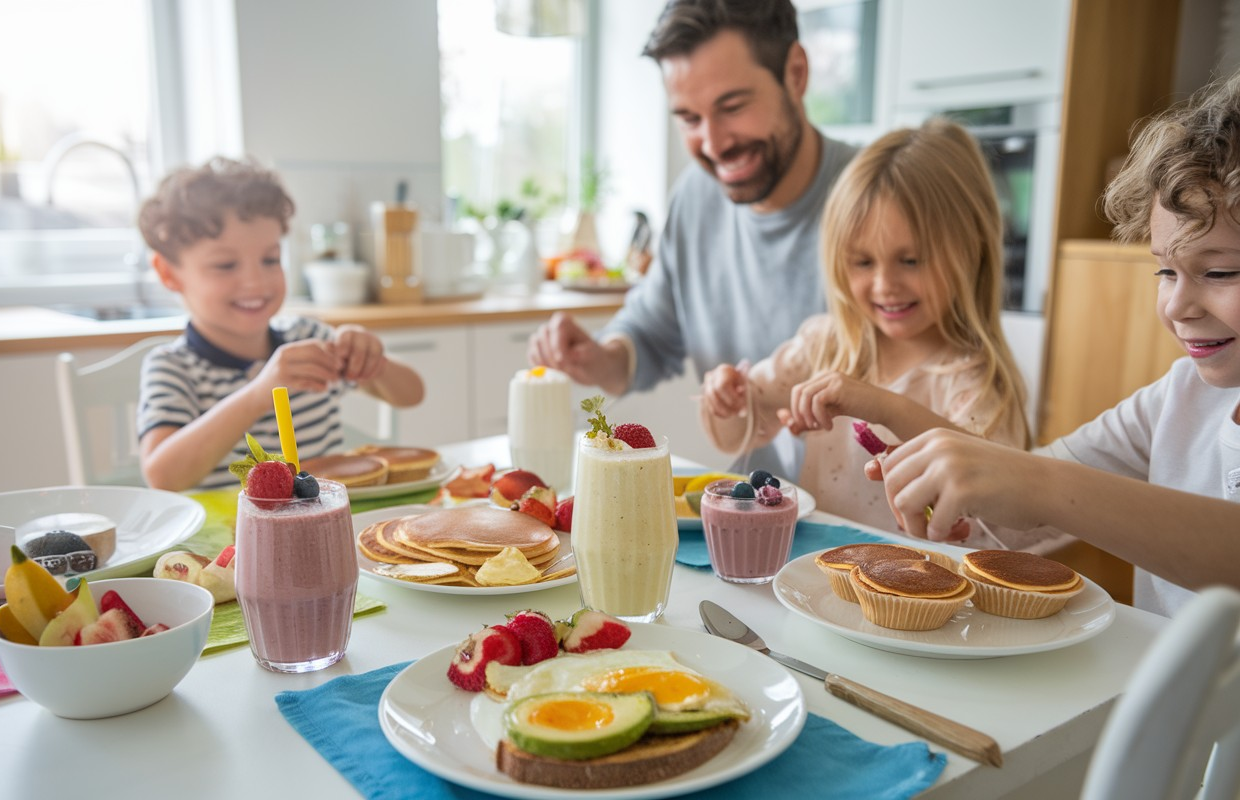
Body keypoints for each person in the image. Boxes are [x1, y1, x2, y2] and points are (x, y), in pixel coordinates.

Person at [878, 72, 1240, 616]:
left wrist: (1039, 484)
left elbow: (1045, 485)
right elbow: (1021, 489)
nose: (1175, 307)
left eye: (1219, 272)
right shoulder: (1179, 396)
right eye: (1165, 271)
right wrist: (939, 463)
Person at [526, 0, 858, 477]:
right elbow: (649, 336)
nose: (714, 143)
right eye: (688, 118)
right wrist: (598, 358)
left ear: (796, 73)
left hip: (867, 519)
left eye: (733, 107)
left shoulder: (876, 197)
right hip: (759, 506)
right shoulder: (696, 198)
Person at [698, 118, 1044, 550]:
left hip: (922, 596)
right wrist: (728, 395)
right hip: (823, 574)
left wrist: (881, 405)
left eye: (911, 260)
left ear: (970, 249)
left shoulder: (972, 380)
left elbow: (997, 498)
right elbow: (743, 427)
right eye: (863, 263)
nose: (885, 285)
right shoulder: (825, 344)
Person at [135, 157, 425, 492]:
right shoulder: (172, 368)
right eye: (226, 265)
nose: (255, 282)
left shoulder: (308, 340)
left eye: (270, 259)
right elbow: (162, 476)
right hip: (229, 541)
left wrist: (373, 361)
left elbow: (412, 394)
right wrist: (260, 392)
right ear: (169, 273)